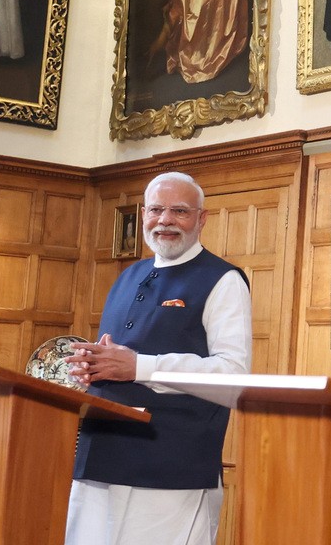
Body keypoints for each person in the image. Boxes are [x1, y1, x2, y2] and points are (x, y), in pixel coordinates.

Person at [64, 171, 252, 545]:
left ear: (201, 219)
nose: (165, 220)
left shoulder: (223, 280)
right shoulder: (127, 276)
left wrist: (140, 367)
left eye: (179, 211)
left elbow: (233, 377)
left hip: (170, 469)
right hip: (99, 459)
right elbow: (118, 362)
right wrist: (92, 368)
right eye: (156, 210)